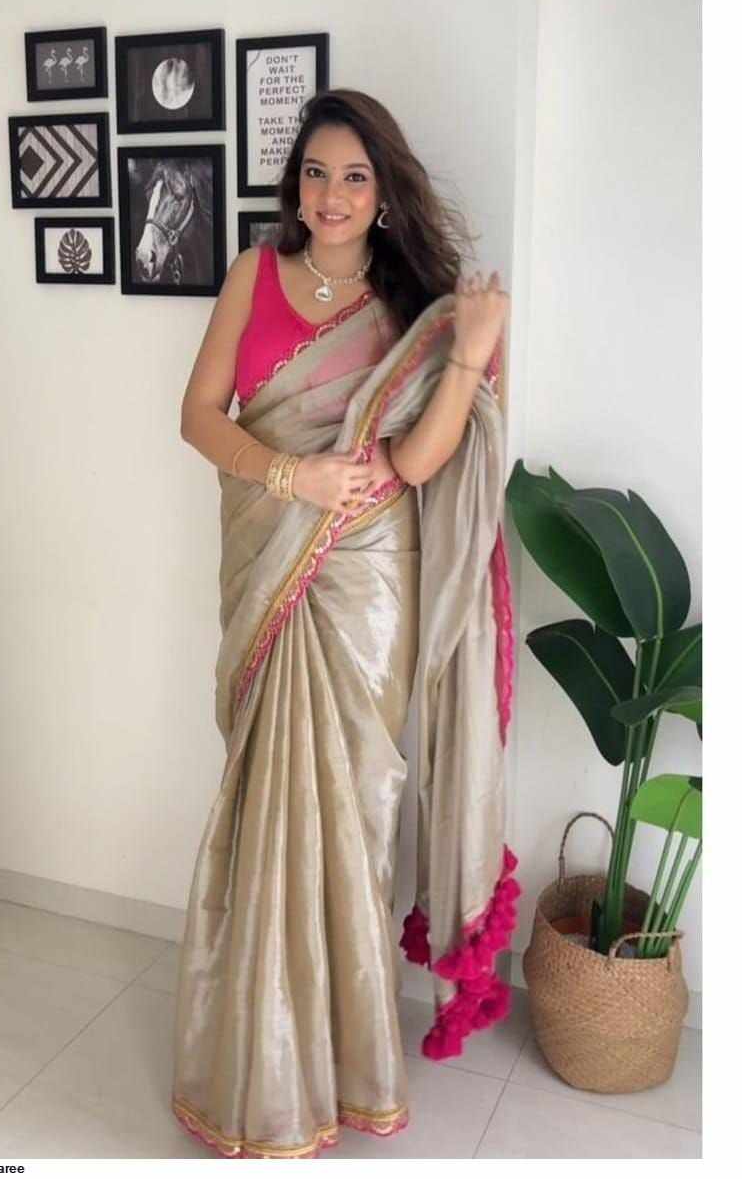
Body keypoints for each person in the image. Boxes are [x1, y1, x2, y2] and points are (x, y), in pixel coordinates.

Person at [171, 88, 519, 1159]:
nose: (331, 195)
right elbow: (198, 417)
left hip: (369, 583)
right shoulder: (252, 274)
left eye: (354, 177)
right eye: (316, 173)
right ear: (296, 185)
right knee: (265, 806)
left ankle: (340, 1063)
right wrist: (293, 475)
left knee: (353, 812)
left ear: (383, 192)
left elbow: (415, 461)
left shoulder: (414, 306)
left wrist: (472, 350)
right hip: (272, 557)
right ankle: (259, 1059)